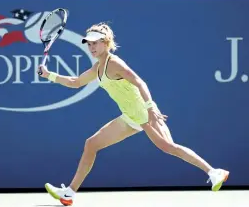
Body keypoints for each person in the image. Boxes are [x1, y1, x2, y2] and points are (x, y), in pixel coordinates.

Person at [38, 22, 229, 206]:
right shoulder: (98, 67)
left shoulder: (115, 63)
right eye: (89, 43)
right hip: (129, 117)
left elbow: (140, 82)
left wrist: (151, 107)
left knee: (169, 147)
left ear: (106, 43)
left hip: (145, 115)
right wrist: (49, 75)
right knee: (91, 144)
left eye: (95, 43)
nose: (91, 47)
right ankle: (69, 193)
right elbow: (76, 82)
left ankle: (214, 172)